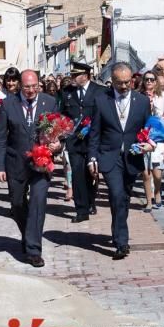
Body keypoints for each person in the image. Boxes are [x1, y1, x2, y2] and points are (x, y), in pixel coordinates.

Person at [0, 69, 61, 267]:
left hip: (42, 162)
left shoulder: (49, 102)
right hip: (16, 163)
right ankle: (28, 233)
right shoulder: (8, 104)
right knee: (17, 204)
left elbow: (56, 131)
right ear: (19, 86)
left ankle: (33, 250)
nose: (31, 91)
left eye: (34, 86)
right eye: (27, 87)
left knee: (38, 203)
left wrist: (58, 145)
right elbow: (0, 139)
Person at [88, 62, 152, 260]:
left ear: (132, 80)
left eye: (127, 82)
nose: (124, 87)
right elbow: (95, 133)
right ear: (112, 82)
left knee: (123, 198)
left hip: (132, 158)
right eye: (119, 83)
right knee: (116, 194)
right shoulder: (101, 100)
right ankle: (122, 243)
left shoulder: (141, 101)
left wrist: (151, 144)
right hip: (109, 157)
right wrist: (92, 158)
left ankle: (118, 233)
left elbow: (148, 129)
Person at [60, 62, 104, 222]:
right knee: (77, 175)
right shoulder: (66, 92)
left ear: (85, 76)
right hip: (74, 141)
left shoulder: (100, 91)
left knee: (91, 173)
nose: (71, 78)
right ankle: (81, 210)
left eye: (75, 75)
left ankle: (91, 201)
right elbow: (63, 115)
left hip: (93, 140)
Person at [139, 71, 164, 211]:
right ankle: (148, 201)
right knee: (146, 172)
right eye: (147, 79)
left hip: (158, 137)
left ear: (156, 82)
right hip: (143, 136)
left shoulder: (162, 96)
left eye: (152, 80)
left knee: (157, 173)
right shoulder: (138, 96)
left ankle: (157, 192)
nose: (149, 82)